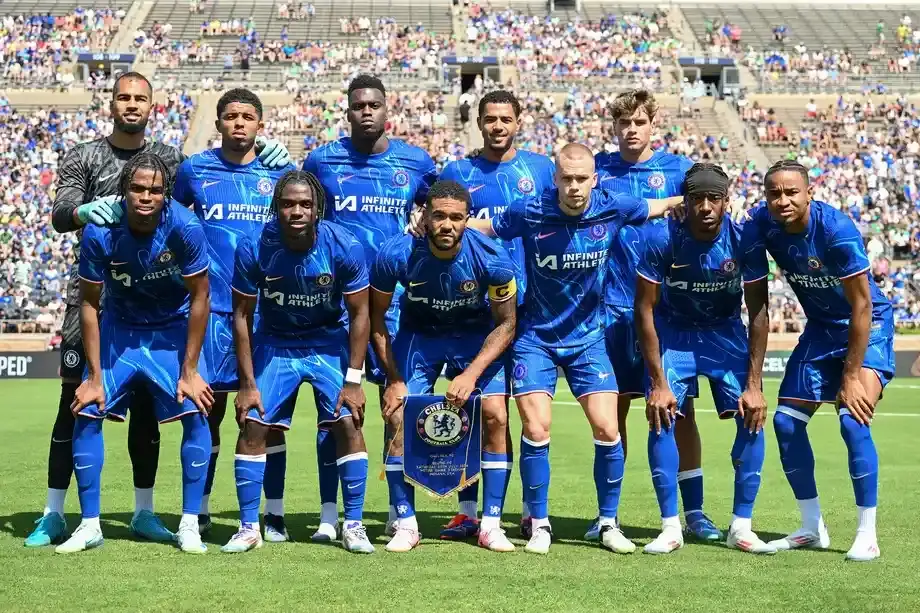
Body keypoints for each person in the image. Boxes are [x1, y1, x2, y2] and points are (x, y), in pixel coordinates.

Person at [32, 71, 290, 548]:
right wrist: (85, 213)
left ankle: (154, 512)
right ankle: (54, 514)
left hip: (175, 308)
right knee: (77, 402)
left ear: (153, 106)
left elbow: (197, 217)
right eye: (123, 97)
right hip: (99, 302)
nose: (131, 105)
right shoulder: (84, 156)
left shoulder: (174, 161)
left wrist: (276, 163)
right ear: (110, 103)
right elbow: (59, 215)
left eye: (140, 99)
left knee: (172, 410)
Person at [467, 143, 683, 555]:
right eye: (567, 178)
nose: (575, 186)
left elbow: (658, 206)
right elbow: (488, 228)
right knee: (536, 428)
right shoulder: (530, 210)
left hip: (588, 341)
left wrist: (694, 197)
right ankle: (541, 525)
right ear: (555, 179)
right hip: (536, 340)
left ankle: (607, 523)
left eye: (582, 178)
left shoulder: (612, 206)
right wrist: (446, 224)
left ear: (594, 179)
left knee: (607, 429)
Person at [57, 152, 213, 554]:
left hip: (170, 330)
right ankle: (90, 525)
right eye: (138, 189)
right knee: (87, 409)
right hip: (121, 329)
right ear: (123, 191)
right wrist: (93, 376)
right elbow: (90, 304)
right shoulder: (100, 231)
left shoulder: (185, 225)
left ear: (166, 194)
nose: (147, 197)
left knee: (197, 410)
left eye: (156, 190)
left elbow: (200, 297)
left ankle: (190, 524)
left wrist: (191, 369)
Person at [303, 74, 437, 540]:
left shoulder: (416, 162)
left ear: (387, 111)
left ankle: (403, 516)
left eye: (374, 105)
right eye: (358, 105)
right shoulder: (322, 160)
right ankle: (329, 516)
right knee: (336, 412)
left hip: (398, 306)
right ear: (347, 112)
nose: (366, 111)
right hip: (339, 308)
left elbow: (440, 209)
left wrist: (424, 217)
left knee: (396, 410)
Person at [741, 160, 894, 562]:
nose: (783, 200)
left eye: (792, 192)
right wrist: (753, 380)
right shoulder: (760, 226)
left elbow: (862, 304)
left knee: (852, 416)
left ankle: (867, 534)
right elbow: (757, 302)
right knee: (786, 423)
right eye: (774, 193)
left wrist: (850, 376)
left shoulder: (835, 230)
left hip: (867, 324)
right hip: (822, 327)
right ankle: (812, 527)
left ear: (810, 192)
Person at [224, 170, 374, 554]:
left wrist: (354, 380)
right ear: (276, 208)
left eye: (305, 204)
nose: (296, 211)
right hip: (276, 343)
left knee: (347, 420)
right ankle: (248, 527)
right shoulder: (253, 246)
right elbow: (240, 315)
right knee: (254, 424)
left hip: (327, 341)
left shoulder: (344, 245)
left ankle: (353, 525)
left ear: (317, 209)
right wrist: (246, 383)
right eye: (288, 204)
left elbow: (360, 315)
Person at [593, 89, 719, 543]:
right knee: (614, 410)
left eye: (639, 122)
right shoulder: (598, 171)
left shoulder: (678, 172)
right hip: (608, 308)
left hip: (665, 313)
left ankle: (697, 513)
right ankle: (609, 516)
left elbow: (711, 215)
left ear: (652, 125)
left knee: (679, 411)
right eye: (623, 122)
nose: (631, 130)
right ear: (614, 127)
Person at [172, 88, 294, 540]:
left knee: (266, 415)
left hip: (263, 316)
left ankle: (274, 513)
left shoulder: (277, 174)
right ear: (218, 123)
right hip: (210, 311)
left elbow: (305, 215)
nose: (239, 123)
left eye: (247, 117)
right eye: (230, 116)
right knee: (206, 411)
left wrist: (289, 167)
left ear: (260, 125)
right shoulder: (194, 170)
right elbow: (172, 223)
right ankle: (198, 510)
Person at [370, 180, 518, 552]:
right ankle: (405, 522)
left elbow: (507, 324)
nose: (447, 225)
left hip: (473, 337)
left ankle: (490, 524)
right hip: (420, 336)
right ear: (424, 216)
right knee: (397, 415)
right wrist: (393, 379)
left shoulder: (493, 257)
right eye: (439, 216)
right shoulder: (395, 254)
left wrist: (470, 374)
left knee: (496, 414)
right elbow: (374, 320)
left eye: (456, 217)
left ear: (467, 219)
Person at [634, 163, 774, 555]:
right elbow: (643, 310)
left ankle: (742, 527)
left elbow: (759, 311)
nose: (706, 207)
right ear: (687, 201)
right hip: (674, 333)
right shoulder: (662, 237)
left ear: (727, 202)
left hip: (725, 332)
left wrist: (755, 385)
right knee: (661, 415)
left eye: (715, 198)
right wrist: (658, 383)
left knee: (752, 413)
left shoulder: (744, 238)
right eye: (698, 199)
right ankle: (670, 527)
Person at [437, 89, 555, 540]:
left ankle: (526, 509)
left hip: (524, 308)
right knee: (471, 410)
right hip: (469, 308)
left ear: (518, 121)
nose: (498, 126)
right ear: (479, 123)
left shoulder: (541, 170)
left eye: (506, 118)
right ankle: (468, 510)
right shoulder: (458, 172)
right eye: (490, 119)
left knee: (519, 415)